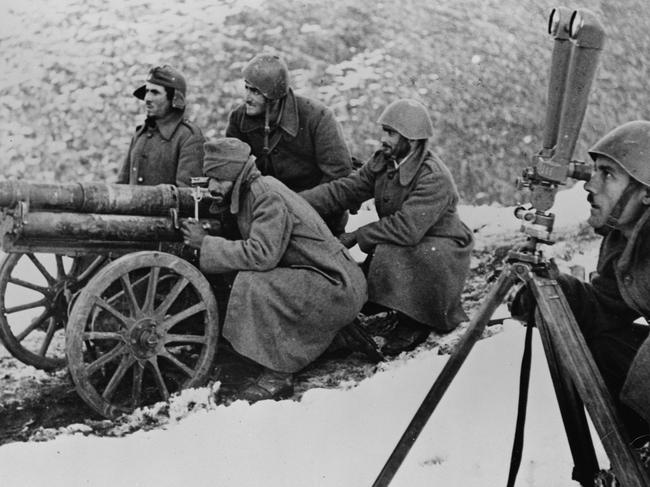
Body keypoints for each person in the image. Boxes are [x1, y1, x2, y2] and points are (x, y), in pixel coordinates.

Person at [180, 137, 367, 402]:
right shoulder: (252, 188)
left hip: (335, 285)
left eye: (218, 179)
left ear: (234, 174)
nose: (211, 186)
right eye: (208, 178)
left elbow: (262, 255)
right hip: (324, 277)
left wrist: (206, 244)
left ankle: (278, 374)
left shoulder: (265, 195)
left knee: (254, 282)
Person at [511, 121, 650, 452]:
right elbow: (606, 310)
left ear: (646, 192)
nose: (591, 185)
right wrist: (553, 287)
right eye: (594, 172)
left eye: (608, 175)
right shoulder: (623, 242)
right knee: (603, 343)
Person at [300, 98, 475, 356]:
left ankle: (416, 320)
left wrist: (356, 236)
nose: (384, 139)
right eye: (385, 131)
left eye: (391, 133)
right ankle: (393, 303)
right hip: (409, 240)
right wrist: (297, 202)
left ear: (412, 140)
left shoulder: (433, 176)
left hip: (440, 249)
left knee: (393, 251)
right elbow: (348, 189)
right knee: (383, 256)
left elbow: (407, 228)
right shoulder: (385, 160)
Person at [225, 53, 353, 234]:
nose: (247, 98)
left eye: (255, 92)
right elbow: (231, 171)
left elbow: (339, 179)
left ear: (274, 97)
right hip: (262, 216)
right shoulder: (240, 118)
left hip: (316, 219)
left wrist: (295, 207)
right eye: (247, 88)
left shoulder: (317, 117)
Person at [117, 65, 204, 187]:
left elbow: (188, 196)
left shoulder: (188, 137)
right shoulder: (141, 133)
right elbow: (122, 186)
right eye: (147, 91)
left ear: (173, 99)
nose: (147, 98)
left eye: (155, 92)